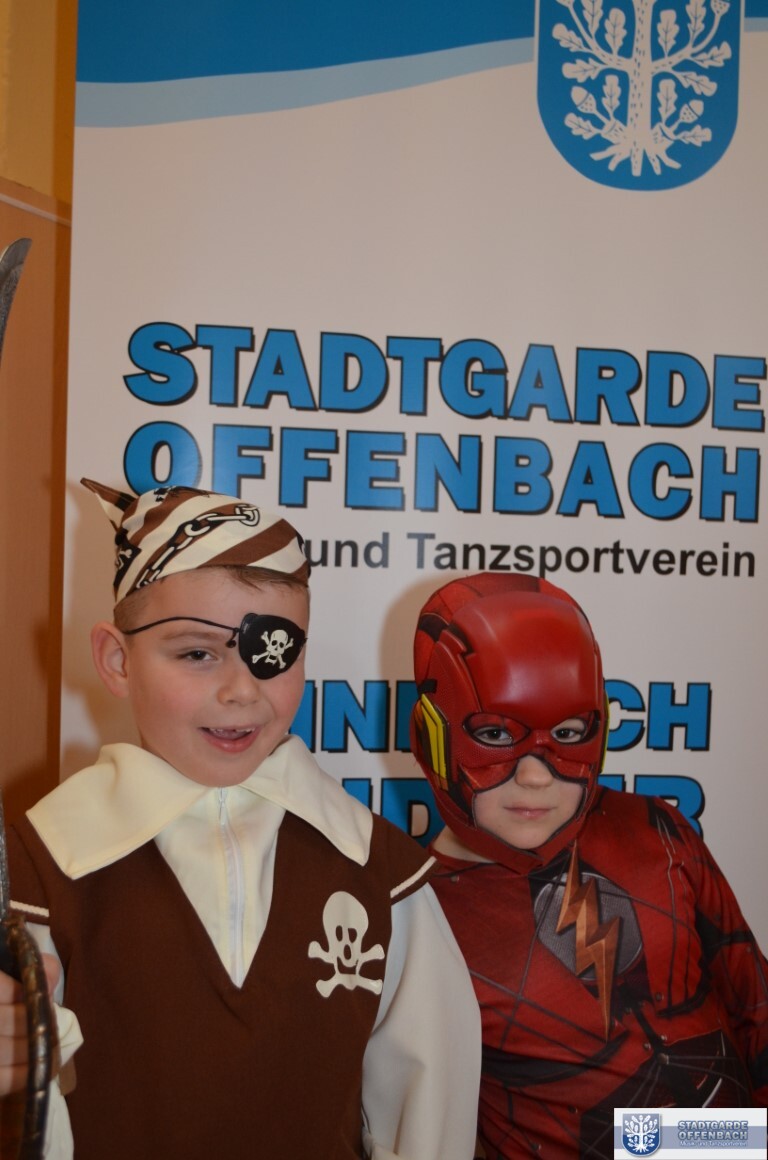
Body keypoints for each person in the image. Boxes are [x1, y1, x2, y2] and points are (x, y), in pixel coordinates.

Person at [0, 480, 481, 1160]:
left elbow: (430, 1112)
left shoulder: (382, 875)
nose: (241, 690)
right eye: (197, 653)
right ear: (117, 660)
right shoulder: (36, 875)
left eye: (272, 654)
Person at [410, 572, 768, 1160]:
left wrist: (744, 1139)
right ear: (432, 734)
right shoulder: (414, 915)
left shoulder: (656, 832)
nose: (535, 775)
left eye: (567, 733)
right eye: (496, 734)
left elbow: (752, 1001)